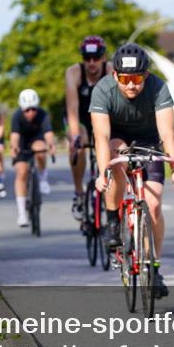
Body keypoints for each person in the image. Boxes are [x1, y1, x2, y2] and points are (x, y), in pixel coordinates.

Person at [91, 43, 174, 297]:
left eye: (136, 79)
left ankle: (154, 267)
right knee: (117, 161)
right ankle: (113, 221)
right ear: (115, 76)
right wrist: (103, 172)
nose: (131, 85)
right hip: (117, 139)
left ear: (146, 75)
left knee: (153, 206)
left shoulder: (158, 88)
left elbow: (168, 133)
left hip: (149, 142)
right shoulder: (103, 90)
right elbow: (101, 137)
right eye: (125, 79)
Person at [65, 35, 109, 221]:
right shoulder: (73, 73)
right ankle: (79, 192)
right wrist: (75, 136)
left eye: (96, 58)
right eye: (87, 58)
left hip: (104, 117)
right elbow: (72, 109)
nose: (92, 62)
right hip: (81, 119)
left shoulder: (111, 71)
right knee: (79, 143)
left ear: (103, 57)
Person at [9, 89, 56, 227]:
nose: (30, 112)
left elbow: (48, 133)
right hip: (22, 142)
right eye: (27, 110)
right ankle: (22, 213)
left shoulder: (43, 114)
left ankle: (42, 178)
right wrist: (14, 147)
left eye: (33, 109)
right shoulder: (17, 116)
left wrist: (51, 145)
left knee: (40, 150)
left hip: (37, 138)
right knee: (21, 171)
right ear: (22, 109)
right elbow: (14, 135)